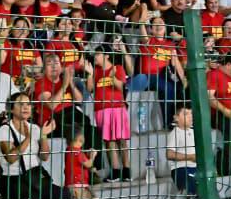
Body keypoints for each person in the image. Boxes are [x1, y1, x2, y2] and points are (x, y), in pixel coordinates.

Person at [0, 92, 76, 199]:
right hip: (13, 178)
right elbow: (11, 158)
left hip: (34, 175)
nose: (26, 107)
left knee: (64, 194)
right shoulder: (5, 129)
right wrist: (27, 139)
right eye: (21, 104)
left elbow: (44, 156)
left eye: (28, 104)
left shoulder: (34, 127)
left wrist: (43, 135)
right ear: (12, 109)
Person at [33, 52, 104, 165]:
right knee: (78, 126)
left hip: (73, 117)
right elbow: (52, 105)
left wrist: (70, 82)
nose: (54, 66)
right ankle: (85, 165)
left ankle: (93, 167)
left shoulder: (64, 81)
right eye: (49, 64)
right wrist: (64, 86)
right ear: (44, 69)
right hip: (54, 120)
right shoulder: (41, 83)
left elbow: (79, 100)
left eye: (56, 63)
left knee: (93, 130)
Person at [64, 125, 116, 199]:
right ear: (80, 139)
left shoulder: (69, 150)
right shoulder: (76, 152)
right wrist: (92, 156)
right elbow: (87, 164)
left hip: (81, 186)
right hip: (77, 188)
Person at [131, 18, 187, 128]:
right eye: (155, 24)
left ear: (165, 27)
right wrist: (142, 17)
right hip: (147, 77)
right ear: (151, 29)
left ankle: (175, 120)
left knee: (174, 87)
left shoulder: (170, 45)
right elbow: (143, 31)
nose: (159, 25)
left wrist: (183, 79)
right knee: (167, 87)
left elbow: (175, 62)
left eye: (161, 23)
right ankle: (169, 122)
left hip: (162, 77)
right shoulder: (148, 40)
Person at [89, 46, 131, 182]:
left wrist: (112, 77)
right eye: (94, 55)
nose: (95, 57)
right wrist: (89, 74)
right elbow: (90, 89)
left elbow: (121, 87)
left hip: (118, 107)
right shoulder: (95, 71)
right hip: (101, 109)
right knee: (109, 141)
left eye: (98, 54)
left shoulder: (117, 68)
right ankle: (115, 171)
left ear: (106, 55)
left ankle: (126, 171)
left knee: (122, 140)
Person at [166, 104, 199, 199]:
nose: (190, 117)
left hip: (195, 168)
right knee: (196, 188)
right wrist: (189, 157)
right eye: (186, 114)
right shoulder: (175, 133)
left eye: (191, 114)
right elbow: (169, 154)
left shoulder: (194, 131)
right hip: (180, 169)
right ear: (176, 117)